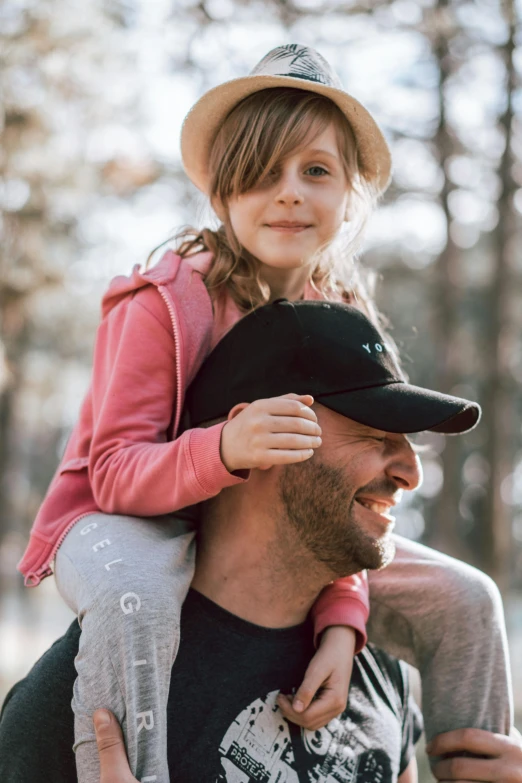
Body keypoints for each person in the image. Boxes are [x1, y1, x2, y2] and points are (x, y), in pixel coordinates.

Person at [13, 43, 512, 783]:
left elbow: (350, 498)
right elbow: (113, 471)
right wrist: (224, 448)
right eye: (263, 170)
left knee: (470, 596)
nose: (289, 192)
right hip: (126, 518)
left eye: (316, 170)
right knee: (136, 599)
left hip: (279, 526)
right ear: (220, 192)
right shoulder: (164, 301)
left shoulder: (343, 312)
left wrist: (344, 619)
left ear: (350, 196)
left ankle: (477, 765)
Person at [0, 298, 492, 782]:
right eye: (374, 434)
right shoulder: (92, 695)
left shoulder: (377, 669)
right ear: (255, 437)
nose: (412, 473)